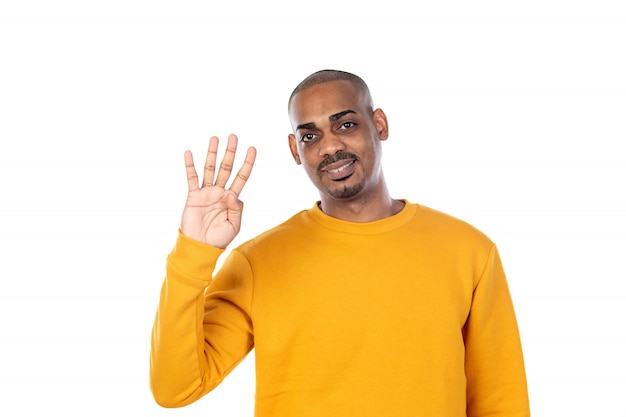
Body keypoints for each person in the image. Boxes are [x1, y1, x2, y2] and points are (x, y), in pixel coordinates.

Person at [150, 69, 530, 416]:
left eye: (345, 124)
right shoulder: (258, 262)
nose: (329, 147)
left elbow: (501, 401)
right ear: (294, 150)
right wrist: (193, 253)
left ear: (379, 124)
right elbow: (175, 388)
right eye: (309, 136)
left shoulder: (469, 251)